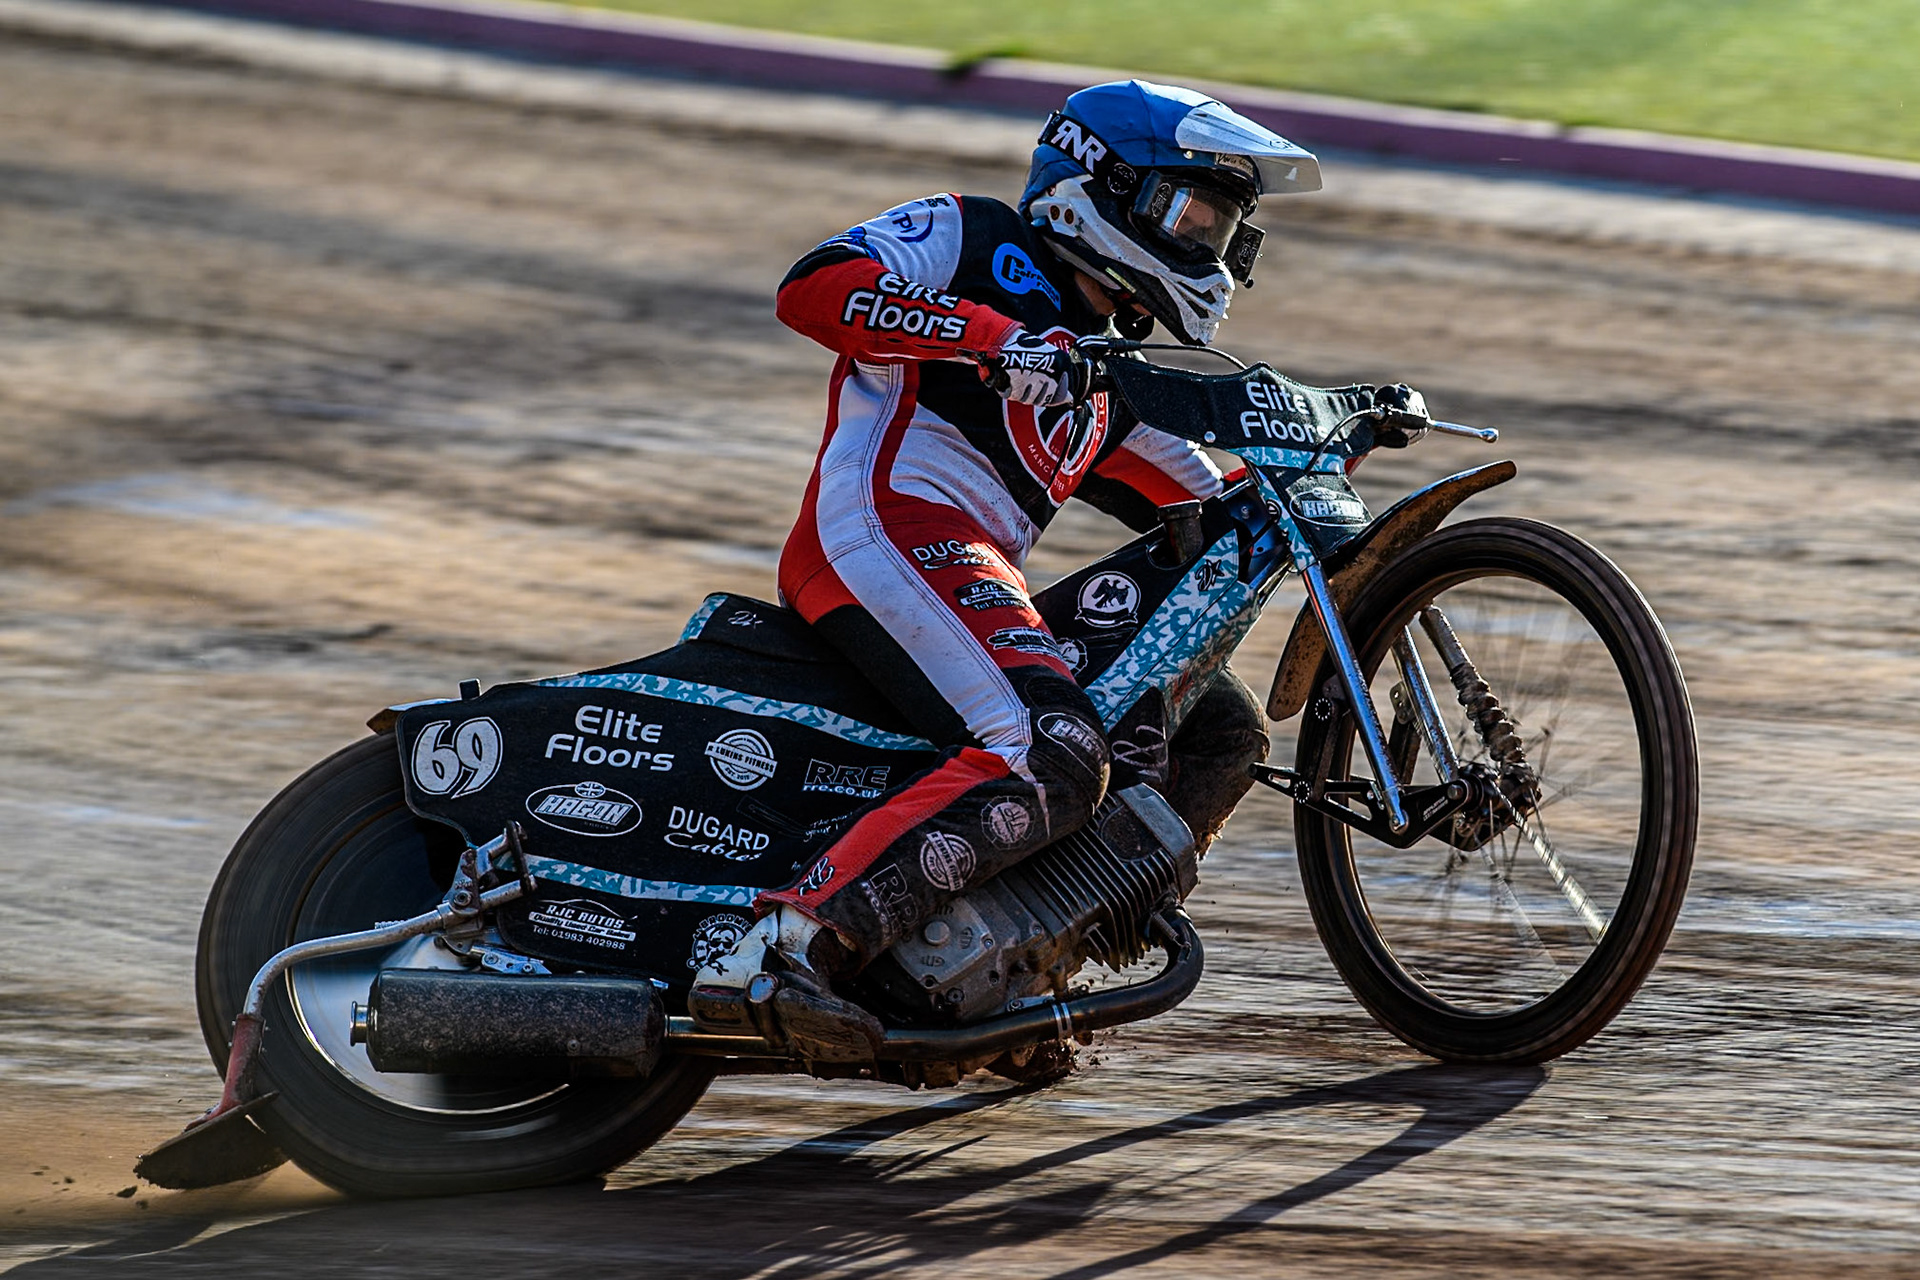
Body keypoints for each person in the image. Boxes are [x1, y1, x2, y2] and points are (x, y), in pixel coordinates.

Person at [691, 80, 1324, 1056]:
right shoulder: (972, 234)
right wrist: (994, 338)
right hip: (881, 529)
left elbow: (1215, 502)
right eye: (1191, 212)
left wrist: (1324, 446)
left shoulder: (1105, 374)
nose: (1206, 241)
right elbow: (813, 287)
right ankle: (780, 945)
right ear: (1104, 185)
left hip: (970, 569)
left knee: (1219, 730)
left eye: (1223, 225)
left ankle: (1029, 969)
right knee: (1048, 744)